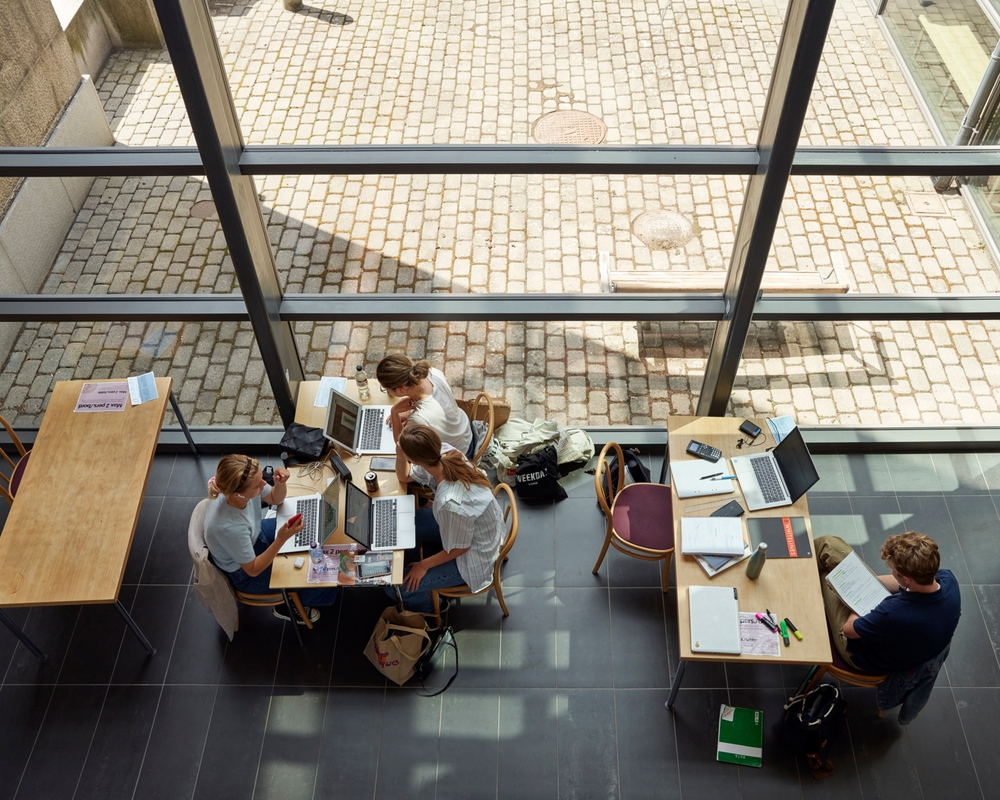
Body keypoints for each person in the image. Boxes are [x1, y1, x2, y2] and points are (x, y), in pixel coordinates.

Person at [816, 532, 961, 723]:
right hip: (905, 646)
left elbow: (849, 630)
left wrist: (853, 595)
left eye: (892, 568)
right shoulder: (948, 581)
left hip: (859, 653)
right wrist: (863, 583)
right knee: (829, 546)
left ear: (907, 579)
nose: (890, 569)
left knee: (826, 567)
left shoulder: (893, 614)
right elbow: (897, 583)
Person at [205, 454, 339, 623]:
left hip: (254, 537)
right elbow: (253, 569)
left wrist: (280, 483)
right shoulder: (229, 527)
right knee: (319, 576)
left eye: (262, 478)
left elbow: (276, 498)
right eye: (258, 485)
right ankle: (287, 607)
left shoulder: (237, 487)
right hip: (245, 574)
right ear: (238, 494)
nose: (264, 484)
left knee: (311, 530)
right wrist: (281, 539)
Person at [385, 425, 505, 614]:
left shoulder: (448, 503)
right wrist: (401, 454)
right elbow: (404, 476)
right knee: (403, 523)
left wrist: (424, 565)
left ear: (414, 460)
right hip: (475, 526)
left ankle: (437, 606)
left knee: (395, 588)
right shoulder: (445, 453)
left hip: (472, 558)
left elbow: (461, 548)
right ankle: (418, 562)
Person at [375, 354, 474, 460]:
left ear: (401, 390)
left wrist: (394, 412)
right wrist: (410, 413)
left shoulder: (419, 418)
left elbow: (401, 446)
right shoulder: (432, 373)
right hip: (465, 429)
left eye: (386, 389)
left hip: (458, 453)